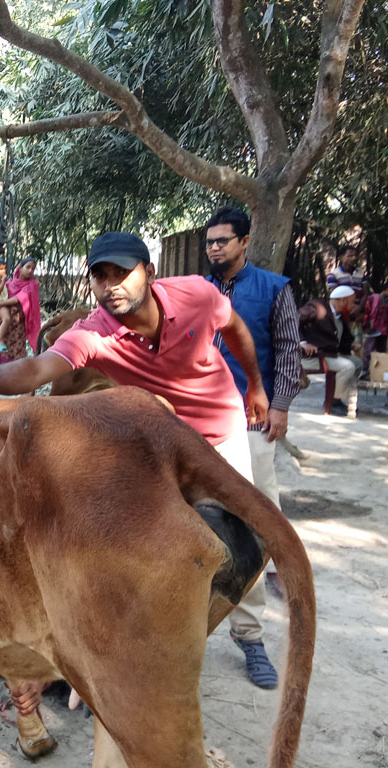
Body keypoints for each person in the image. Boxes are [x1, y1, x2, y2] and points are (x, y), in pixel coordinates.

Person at [0, 233, 274, 688]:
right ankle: (139, 642)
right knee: (153, 542)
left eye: (122, 273)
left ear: (148, 273)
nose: (112, 284)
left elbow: (236, 330)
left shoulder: (196, 294)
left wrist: (255, 386)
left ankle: (250, 637)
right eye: (100, 276)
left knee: (250, 536)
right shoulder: (95, 333)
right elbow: (36, 369)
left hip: (222, 434)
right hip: (160, 443)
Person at [204, 206, 301, 687]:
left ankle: (250, 635)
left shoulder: (274, 289)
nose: (215, 247)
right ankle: (185, 626)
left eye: (223, 240)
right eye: (210, 241)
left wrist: (279, 405)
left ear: (245, 242)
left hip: (251, 424)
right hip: (196, 428)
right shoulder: (196, 291)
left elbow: (286, 349)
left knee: (255, 526)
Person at [299, 284, 361, 417]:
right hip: (313, 357)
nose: (352, 306)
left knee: (358, 363)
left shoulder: (340, 315)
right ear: (342, 300)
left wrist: (352, 345)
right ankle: (333, 402)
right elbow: (293, 320)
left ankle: (347, 398)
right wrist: (302, 342)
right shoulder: (317, 308)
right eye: (351, 302)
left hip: (329, 355)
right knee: (347, 367)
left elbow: (340, 340)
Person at [0, 257, 41, 367]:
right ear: (20, 268)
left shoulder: (32, 285)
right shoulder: (9, 283)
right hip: (4, 322)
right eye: (28, 267)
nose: (30, 270)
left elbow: (18, 298)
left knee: (15, 352)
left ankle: (13, 378)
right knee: (1, 348)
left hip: (18, 325)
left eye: (33, 269)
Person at [361, 285, 388, 378]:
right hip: (373, 329)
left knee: (382, 352)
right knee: (369, 350)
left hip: (383, 330)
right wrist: (367, 325)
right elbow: (368, 312)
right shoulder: (373, 298)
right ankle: (365, 370)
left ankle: (381, 372)